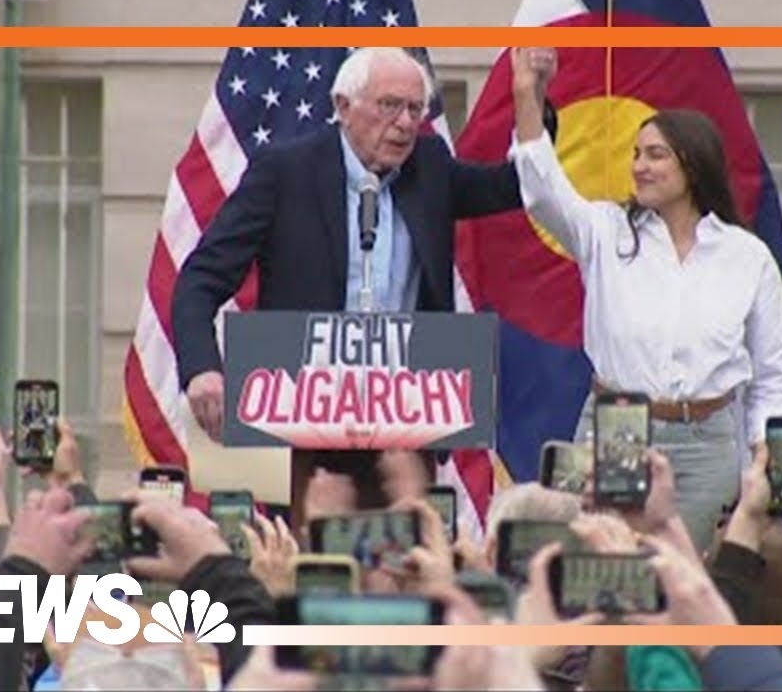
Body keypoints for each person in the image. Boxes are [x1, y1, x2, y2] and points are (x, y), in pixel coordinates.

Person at [172, 46, 552, 530]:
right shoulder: (285, 172)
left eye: (415, 109)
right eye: (389, 105)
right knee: (309, 569)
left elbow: (517, 186)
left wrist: (531, 98)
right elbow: (200, 279)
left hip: (403, 425)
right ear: (343, 106)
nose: (405, 123)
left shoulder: (429, 168)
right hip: (303, 424)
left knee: (402, 565)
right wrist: (204, 369)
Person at [506, 47, 782, 553]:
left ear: (694, 164)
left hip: (709, 446)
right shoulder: (605, 231)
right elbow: (542, 189)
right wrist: (528, 95)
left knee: (694, 579)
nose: (639, 166)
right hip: (616, 432)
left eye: (655, 154)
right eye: (636, 154)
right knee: (605, 572)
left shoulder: (748, 257)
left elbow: (771, 377)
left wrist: (766, 454)